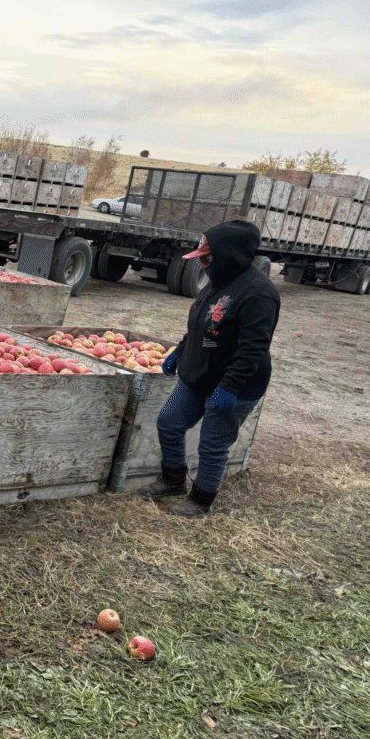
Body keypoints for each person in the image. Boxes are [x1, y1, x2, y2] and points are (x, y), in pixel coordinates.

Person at [138, 220, 280, 518]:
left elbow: (253, 348)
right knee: (169, 422)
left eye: (207, 257)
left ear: (229, 255)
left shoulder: (259, 294)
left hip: (234, 383)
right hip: (200, 374)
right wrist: (181, 350)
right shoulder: (219, 280)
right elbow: (202, 323)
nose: (202, 264)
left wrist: (230, 387)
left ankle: (200, 501)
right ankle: (172, 480)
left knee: (213, 444)